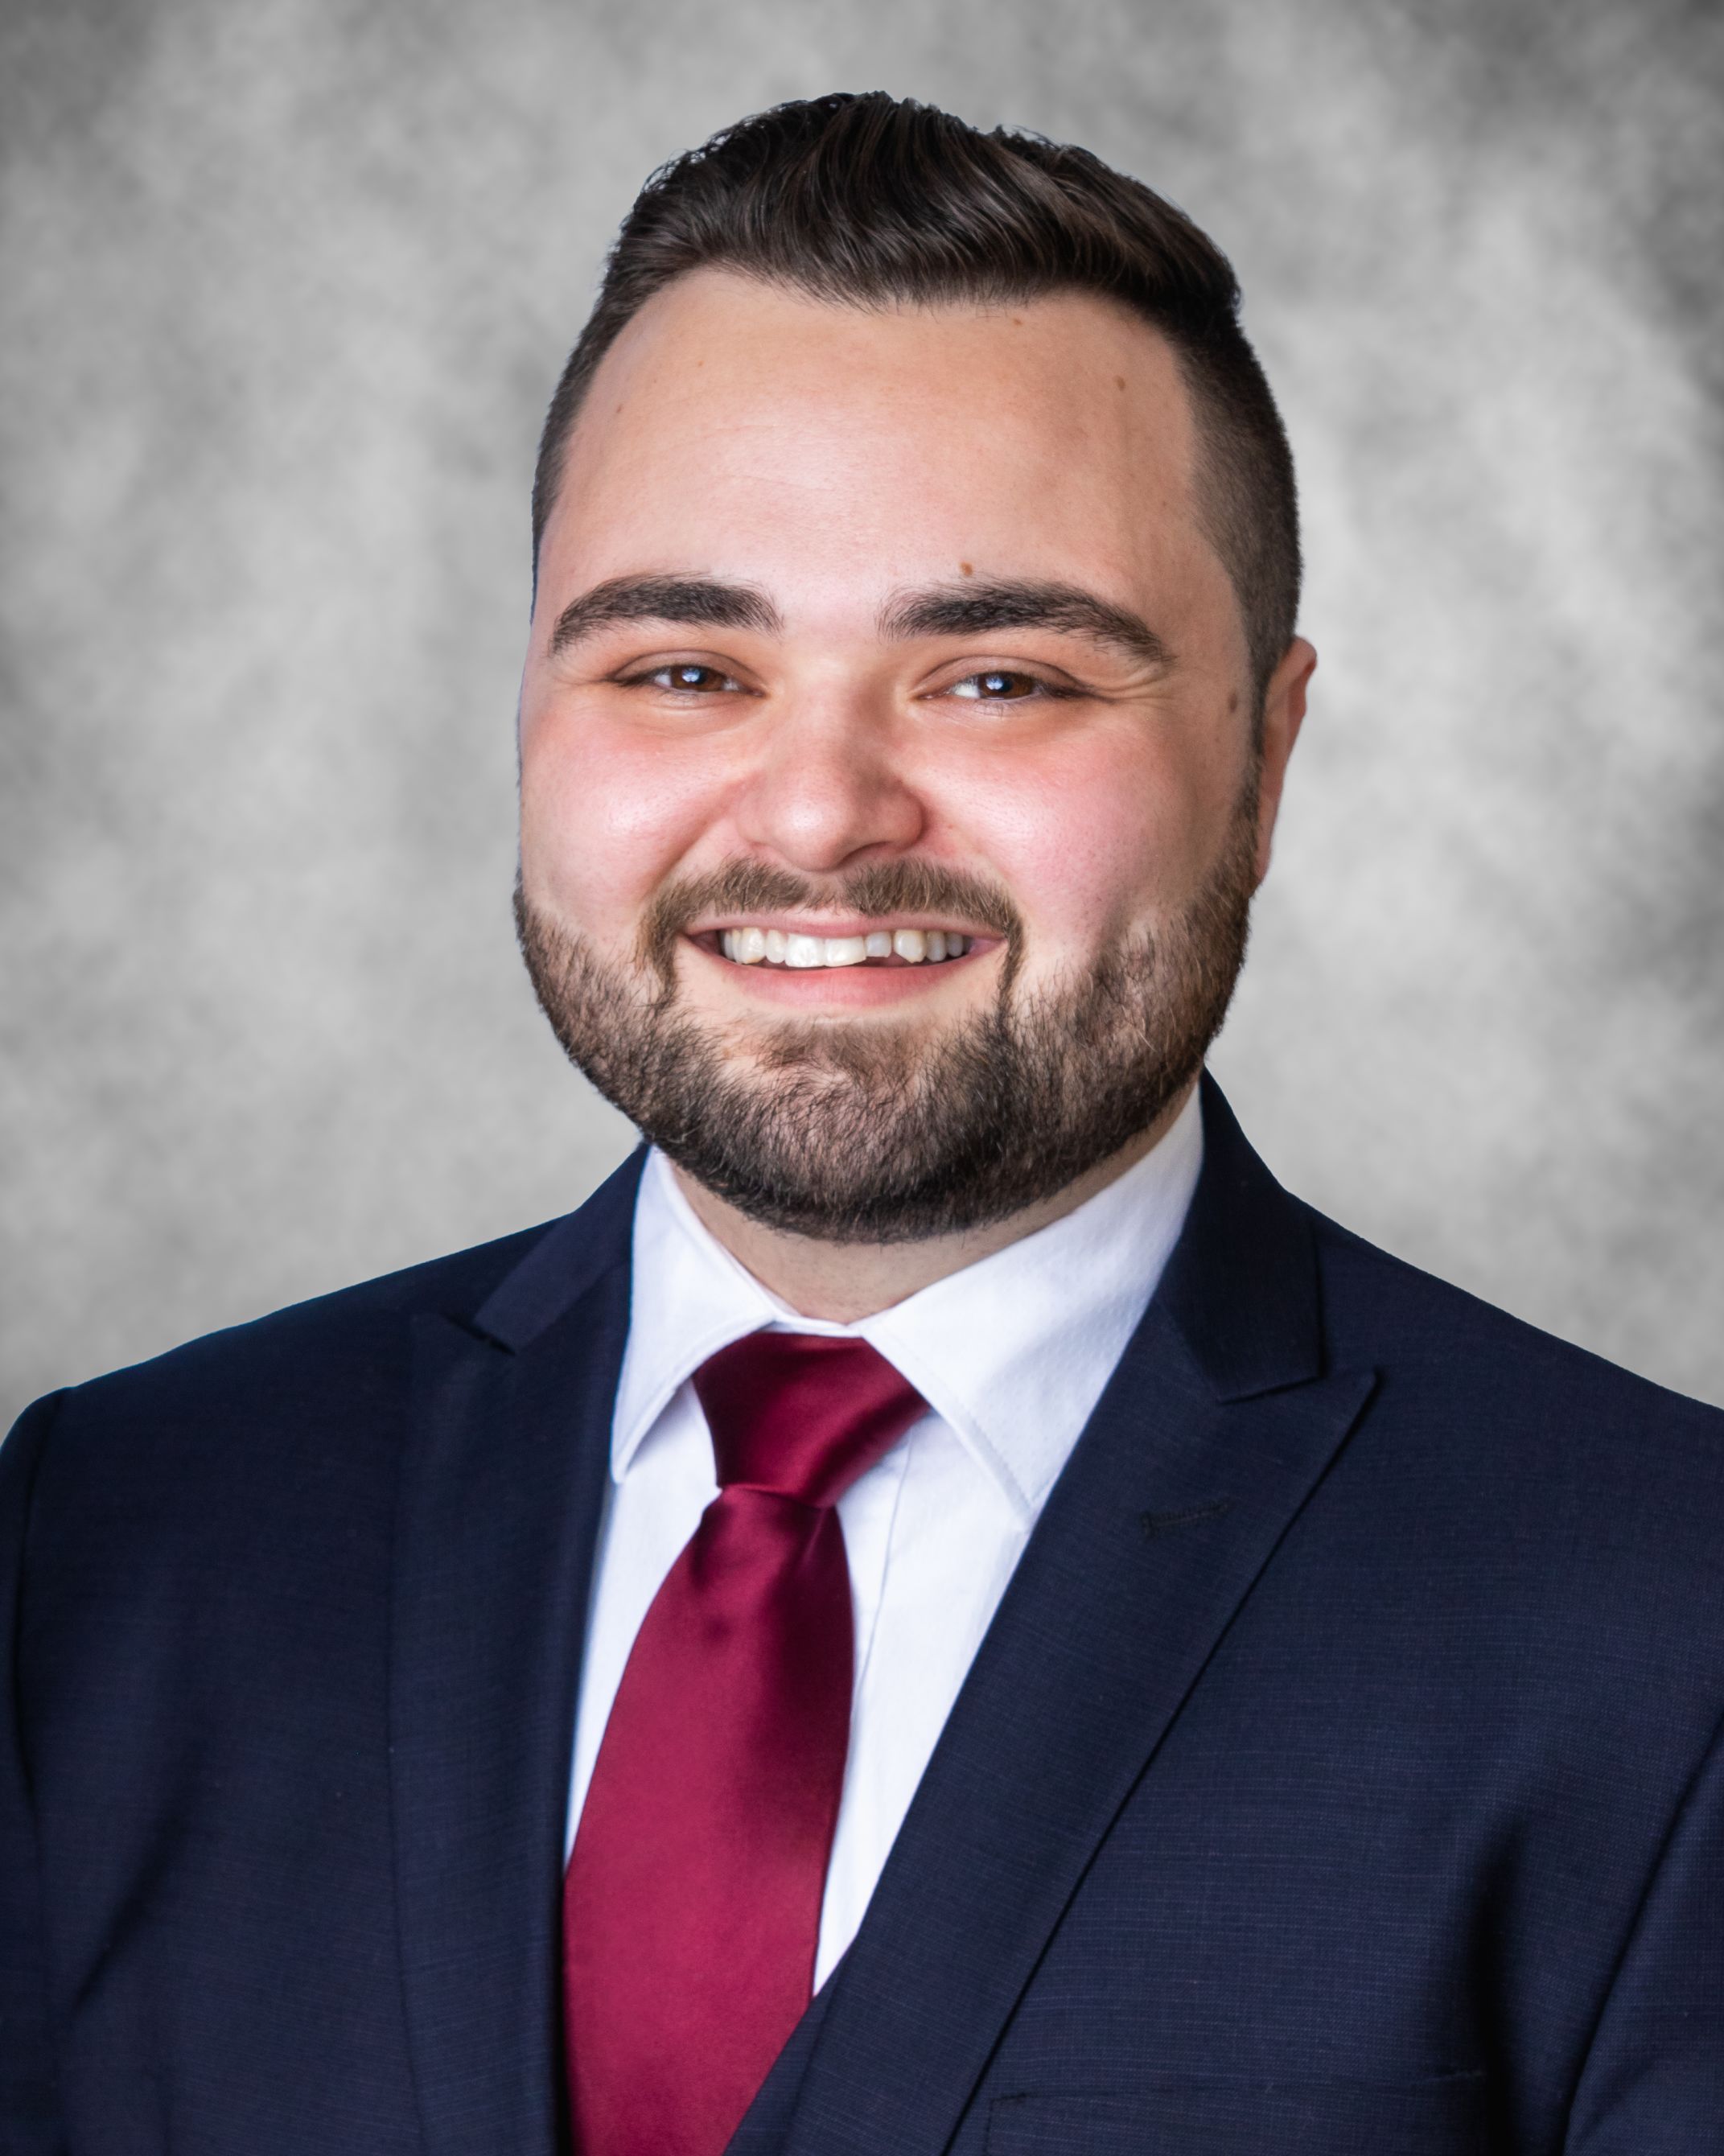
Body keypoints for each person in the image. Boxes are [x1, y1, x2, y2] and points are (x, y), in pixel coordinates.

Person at [2, 90, 1720, 2156]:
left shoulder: (1666, 1619)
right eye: (681, 667)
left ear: (1262, 761)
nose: (818, 814)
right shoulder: (114, 1539)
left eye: (998, 678)